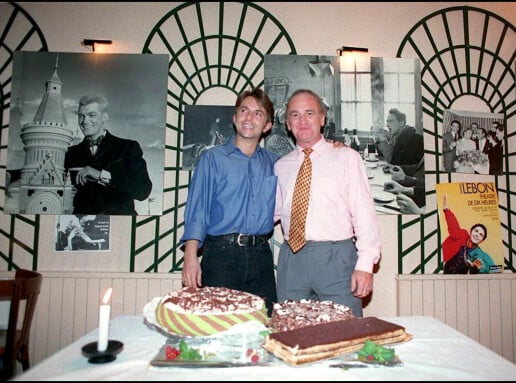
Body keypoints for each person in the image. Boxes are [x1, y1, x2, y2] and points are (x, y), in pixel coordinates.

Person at [274, 89, 381, 317]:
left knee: (344, 334)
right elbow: (270, 213)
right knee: (292, 334)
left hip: (337, 260)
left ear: (322, 119)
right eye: (295, 114)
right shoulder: (280, 166)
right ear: (287, 123)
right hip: (291, 260)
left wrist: (365, 265)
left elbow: (364, 214)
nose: (302, 120)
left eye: (309, 113)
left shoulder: (347, 158)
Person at [179, 88, 279, 316]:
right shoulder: (212, 159)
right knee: (217, 329)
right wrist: (190, 257)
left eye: (258, 113)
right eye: (244, 110)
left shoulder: (276, 164)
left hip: (261, 257)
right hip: (220, 257)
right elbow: (198, 211)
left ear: (267, 125)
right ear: (235, 118)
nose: (249, 117)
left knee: (264, 327)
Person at [64, 95, 153, 215]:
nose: (84, 121)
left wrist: (102, 176)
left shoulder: (127, 147)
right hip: (83, 225)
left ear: (104, 117)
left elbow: (143, 191)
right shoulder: (70, 153)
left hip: (120, 224)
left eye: (92, 115)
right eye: (81, 116)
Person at [441, 193, 495, 274]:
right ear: (470, 231)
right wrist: (447, 211)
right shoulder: (463, 235)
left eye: (481, 235)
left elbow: (492, 268)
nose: (477, 235)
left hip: (461, 277)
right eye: (476, 231)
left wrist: (476, 269)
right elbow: (454, 228)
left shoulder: (478, 253)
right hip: (446, 269)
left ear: (482, 240)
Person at [375, 108, 424, 178]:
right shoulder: (397, 136)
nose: (387, 125)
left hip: (414, 180)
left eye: (391, 121)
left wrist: (383, 139)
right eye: (387, 121)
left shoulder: (408, 137)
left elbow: (392, 160)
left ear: (401, 123)